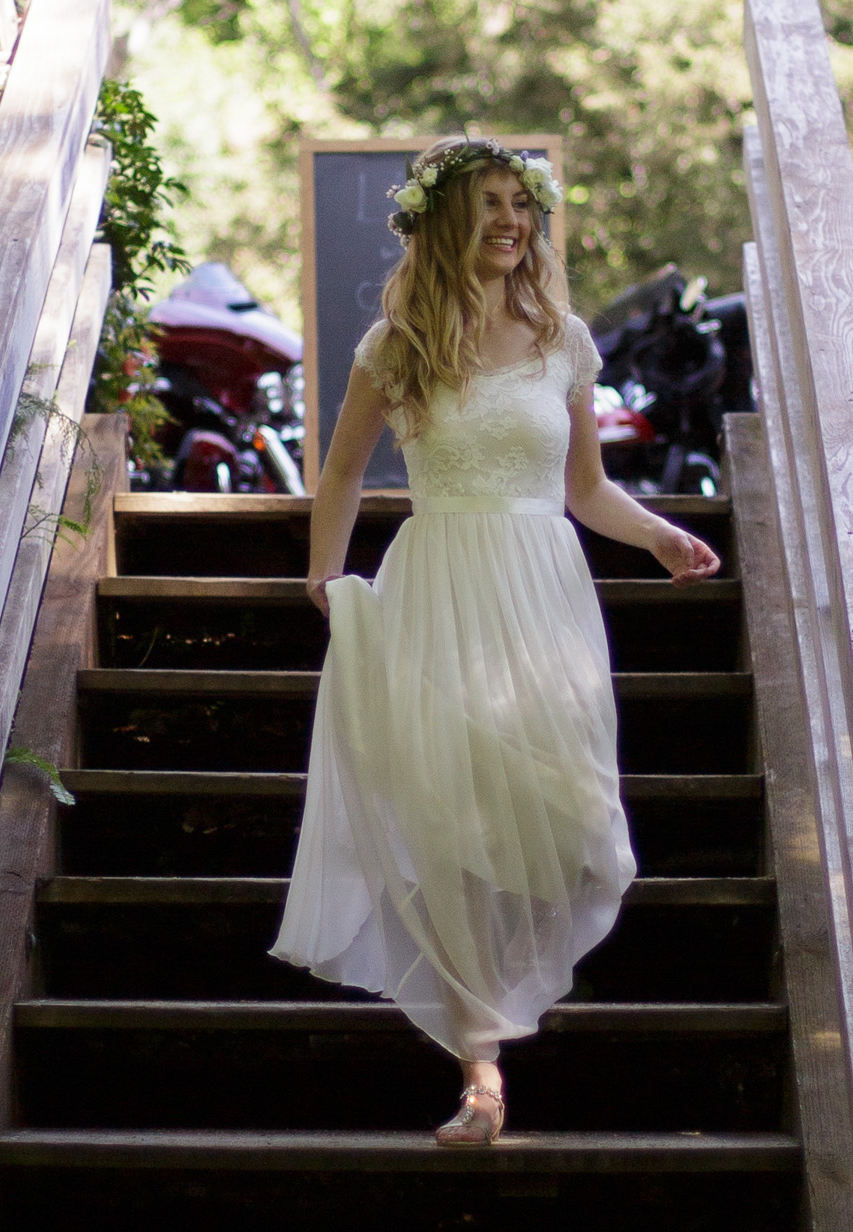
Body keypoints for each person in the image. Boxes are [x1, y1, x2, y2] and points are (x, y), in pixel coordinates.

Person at [273, 136, 720, 1144]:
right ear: (445, 222)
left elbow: (587, 490)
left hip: (544, 593)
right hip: (440, 588)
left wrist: (658, 538)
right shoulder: (397, 345)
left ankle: (509, 1002)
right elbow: (342, 471)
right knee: (451, 820)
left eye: (521, 202)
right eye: (487, 204)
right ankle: (481, 1073)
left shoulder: (563, 340)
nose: (510, 221)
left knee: (562, 812)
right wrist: (324, 569)